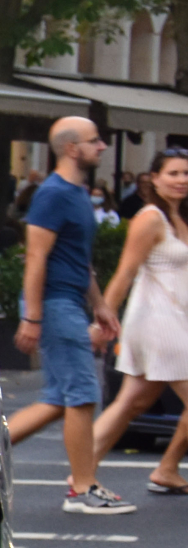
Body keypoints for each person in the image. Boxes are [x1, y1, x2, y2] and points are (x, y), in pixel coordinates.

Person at [6, 116, 131, 513]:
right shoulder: (54, 194)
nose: (103, 147)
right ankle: (82, 488)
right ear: (73, 148)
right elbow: (36, 258)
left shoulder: (77, 192)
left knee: (61, 399)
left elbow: (79, 261)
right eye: (95, 142)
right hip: (56, 305)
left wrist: (100, 305)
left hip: (68, 302)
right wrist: (33, 317)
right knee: (82, 394)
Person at [91, 149, 188, 493]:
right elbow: (125, 272)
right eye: (173, 173)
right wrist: (104, 319)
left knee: (131, 402)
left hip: (174, 320)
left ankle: (82, 475)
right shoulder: (150, 218)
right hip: (159, 322)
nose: (181, 180)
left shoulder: (177, 217)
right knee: (131, 402)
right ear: (154, 178)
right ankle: (167, 467)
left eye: (186, 174)